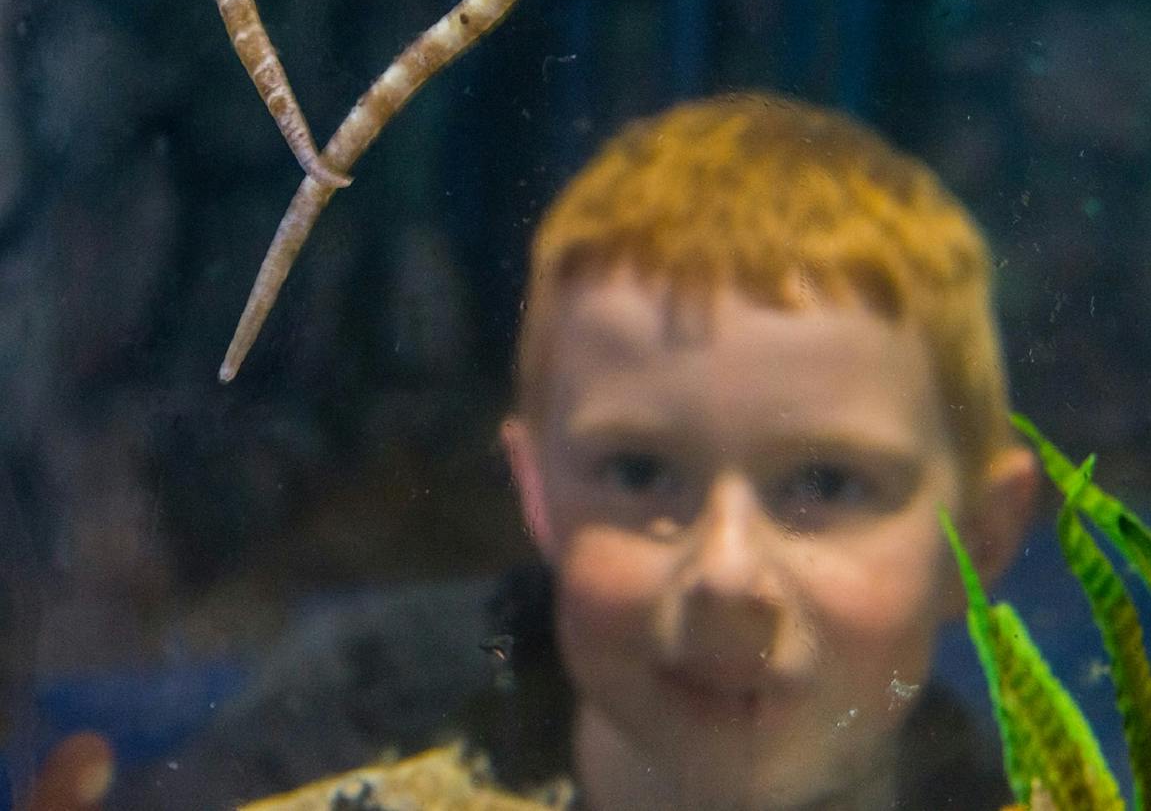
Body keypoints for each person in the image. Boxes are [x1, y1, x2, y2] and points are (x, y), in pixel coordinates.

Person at [119, 93, 1037, 810]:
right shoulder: (339, 734)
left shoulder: (1008, 796)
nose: (725, 571)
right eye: (639, 473)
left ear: (985, 537)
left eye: (825, 483)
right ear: (537, 494)